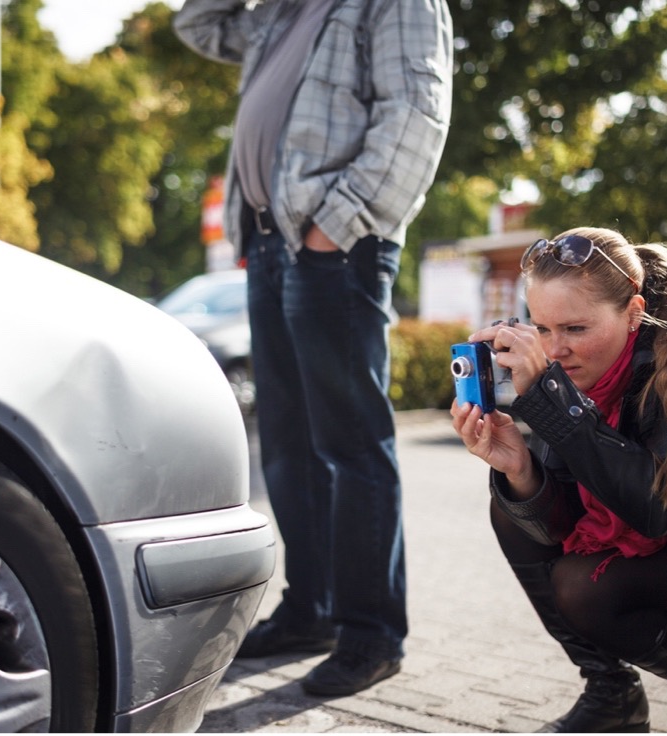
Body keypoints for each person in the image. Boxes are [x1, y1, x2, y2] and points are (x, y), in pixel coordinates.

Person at [174, 0, 453, 696]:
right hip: (270, 246)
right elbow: (199, 24)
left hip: (334, 246)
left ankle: (371, 634)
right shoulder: (279, 12)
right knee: (291, 449)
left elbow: (418, 112)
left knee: (351, 446)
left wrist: (339, 225)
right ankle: (311, 612)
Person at [451, 227, 667, 732]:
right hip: (665, 545)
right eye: (542, 329)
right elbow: (562, 513)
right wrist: (520, 470)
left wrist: (555, 405)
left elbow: (658, 513)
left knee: (584, 589)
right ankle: (610, 695)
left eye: (575, 329)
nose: (556, 350)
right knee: (510, 509)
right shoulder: (574, 374)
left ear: (633, 313)